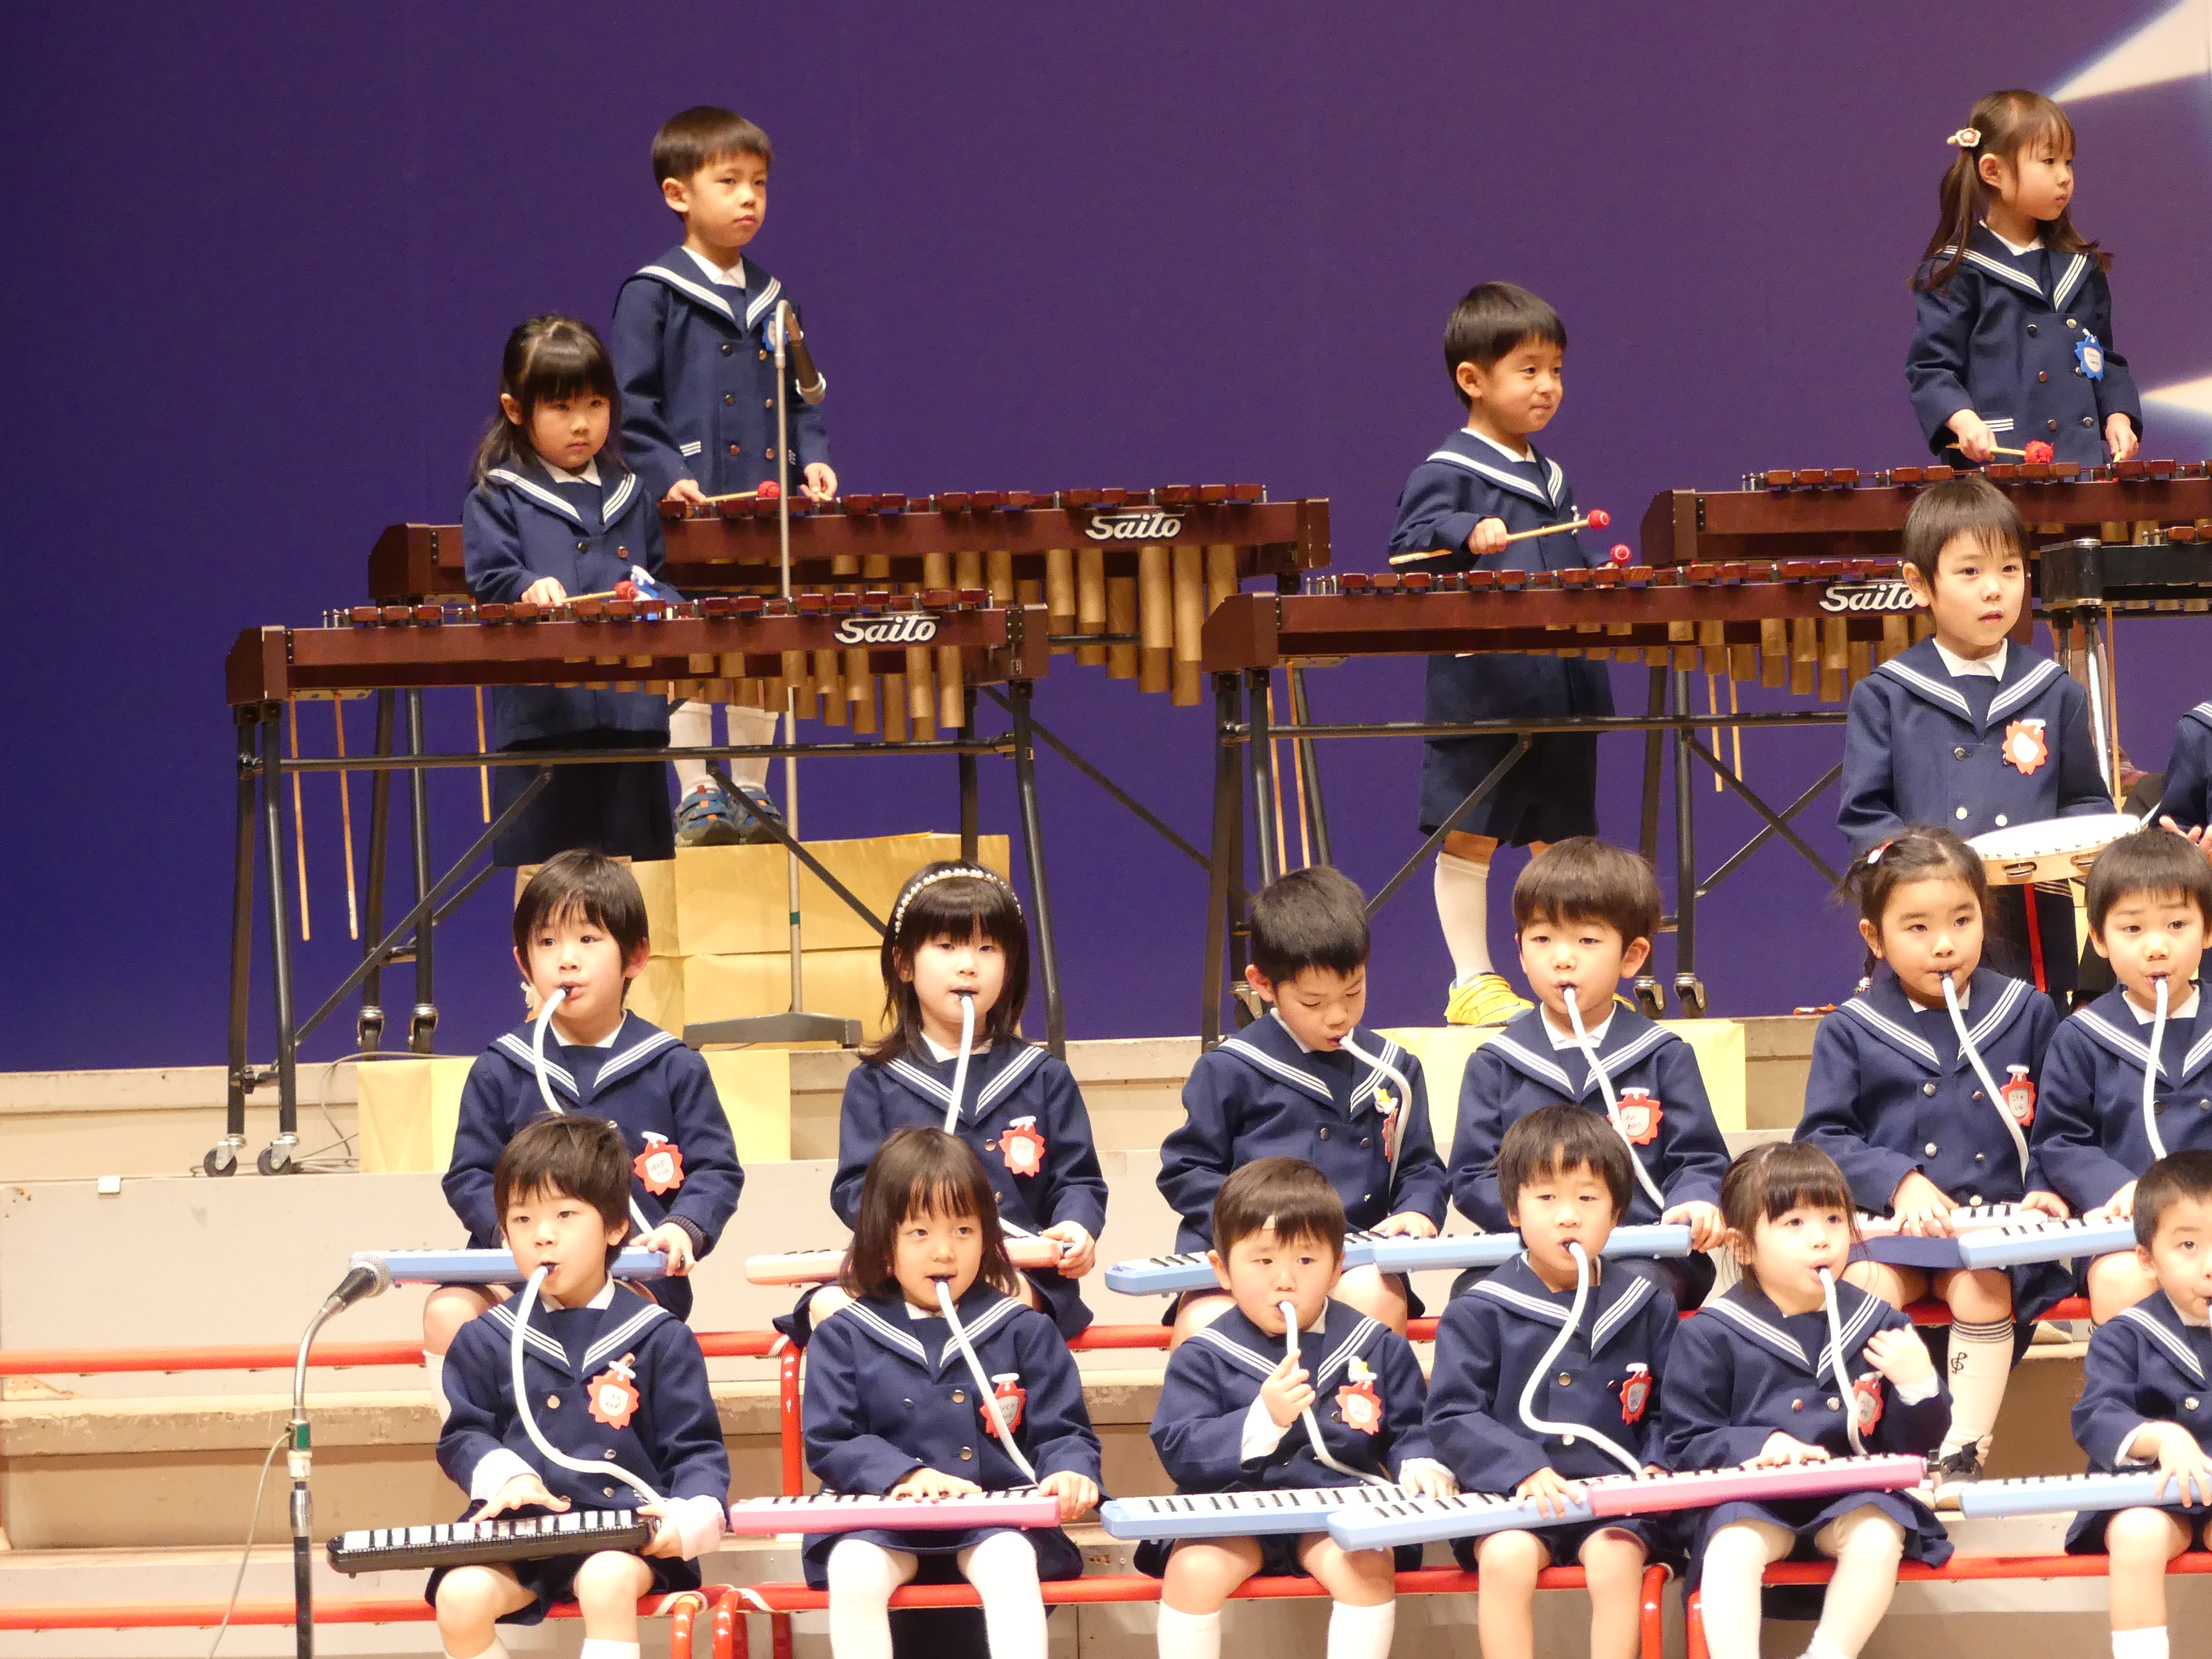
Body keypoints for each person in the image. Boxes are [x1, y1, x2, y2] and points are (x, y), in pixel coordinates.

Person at [1797, 826, 2067, 1490]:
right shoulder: (1850, 1028)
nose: (1943, 943)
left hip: (1990, 1237)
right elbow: (1822, 1137)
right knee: (1861, 1289)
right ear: (1874, 937)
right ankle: (1870, 1448)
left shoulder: (2027, 1011)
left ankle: (1962, 1450)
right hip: (1893, 1233)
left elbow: (2059, 1126)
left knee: (1983, 1287)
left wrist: (2044, 1188)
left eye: (1961, 920)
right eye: (1916, 927)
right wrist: (1898, 1181)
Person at [1388, 281, 1614, 1026]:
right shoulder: (1448, 470)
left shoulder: (1552, 476)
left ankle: (1573, 980)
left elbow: (1561, 558)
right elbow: (1407, 550)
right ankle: (1471, 980)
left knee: (1563, 841)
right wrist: (1463, 532)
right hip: (1486, 684)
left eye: (1556, 370)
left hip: (1561, 684)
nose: (1548, 386)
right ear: (1472, 379)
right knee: (1472, 832)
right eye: (1529, 370)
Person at [611, 106, 838, 848]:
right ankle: (696, 790)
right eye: (730, 182)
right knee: (687, 638)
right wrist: (667, 475)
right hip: (687, 502)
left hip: (764, 504)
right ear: (678, 195)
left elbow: (802, 399)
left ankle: (750, 785)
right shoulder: (652, 292)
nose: (750, 198)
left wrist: (814, 457)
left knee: (758, 638)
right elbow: (633, 405)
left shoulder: (777, 297)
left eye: (760, 184)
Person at [426, 852, 742, 1384]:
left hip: (628, 1273)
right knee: (447, 1312)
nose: (566, 960)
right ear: (524, 963)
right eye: (548, 942)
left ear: (635, 957)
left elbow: (716, 1170)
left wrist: (682, 1227)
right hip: (518, 1272)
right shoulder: (501, 1066)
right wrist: (505, 1231)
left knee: (623, 1319)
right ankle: (479, 1440)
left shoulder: (673, 1066)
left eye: (588, 939)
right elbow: (470, 1173)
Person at [431, 1116, 729, 1659]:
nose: (542, 1235)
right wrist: (507, 1474)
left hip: (627, 1536)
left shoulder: (659, 1336)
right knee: (459, 1597)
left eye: (565, 1215)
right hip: (520, 1535)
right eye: (522, 1219)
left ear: (615, 1227)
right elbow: (464, 1435)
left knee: (604, 1579)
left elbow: (696, 1451)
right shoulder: (486, 1337)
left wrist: (687, 1516)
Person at [801, 1128, 1100, 1659]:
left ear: (988, 1236)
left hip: (994, 1517)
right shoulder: (844, 1334)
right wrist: (905, 1476)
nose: (944, 1251)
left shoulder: (1024, 1328)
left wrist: (1069, 1470)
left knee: (1010, 1561)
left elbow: (1064, 1429)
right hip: (880, 1516)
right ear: (884, 1241)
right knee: (854, 1569)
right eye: (919, 1232)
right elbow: (831, 1440)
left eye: (964, 1230)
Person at [1142, 1157, 1454, 1659]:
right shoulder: (1204, 1353)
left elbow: (1409, 1428)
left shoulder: (1375, 1344)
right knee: (1193, 1571)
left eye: (1306, 1261)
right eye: (1262, 1261)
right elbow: (1180, 1448)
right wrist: (1261, 1420)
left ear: (1337, 1267)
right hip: (1233, 1506)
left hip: (1339, 1500)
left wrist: (1419, 1460)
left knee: (1366, 1566)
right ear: (1222, 1270)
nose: (1284, 1280)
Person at [1661, 1143, 1950, 1659]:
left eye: (1834, 1219)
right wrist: (1762, 1445)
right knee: (1733, 1545)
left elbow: (1913, 1447)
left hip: (1851, 1496)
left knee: (1878, 1535)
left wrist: (1918, 1384)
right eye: (1793, 1223)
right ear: (1742, 1247)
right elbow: (1686, 1442)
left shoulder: (1880, 1321)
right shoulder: (1710, 1333)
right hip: (1749, 1500)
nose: (1821, 1238)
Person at [1837, 473, 2108, 995]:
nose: (1994, 588)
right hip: (1931, 927)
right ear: (1919, 583)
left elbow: (2085, 802)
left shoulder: (2054, 691)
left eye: (2010, 568)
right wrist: (1925, 870)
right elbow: (1866, 817)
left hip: (2033, 925)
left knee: (2033, 1036)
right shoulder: (1887, 695)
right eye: (1970, 571)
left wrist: (2074, 850)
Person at [811, 862, 1104, 1339]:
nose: (968, 964)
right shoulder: (877, 1082)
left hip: (1013, 1269)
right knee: (827, 1306)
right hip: (902, 1273)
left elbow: (1078, 1179)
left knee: (1002, 1303)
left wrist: (1076, 1226)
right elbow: (854, 1190)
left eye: (988, 948)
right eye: (947, 946)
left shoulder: (1043, 1076)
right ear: (904, 964)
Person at [1427, 1107, 1676, 1659]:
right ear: (1514, 1211)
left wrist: (1657, 1465)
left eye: (1587, 1198)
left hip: (1616, 1501)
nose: (1567, 1216)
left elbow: (1669, 1409)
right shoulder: (1479, 1310)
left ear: (1616, 1211)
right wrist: (1523, 1468)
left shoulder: (1648, 1305)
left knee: (1617, 1558)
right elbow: (1451, 1414)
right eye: (1546, 1198)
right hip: (1512, 1497)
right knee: (1505, 1559)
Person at [1159, 867, 1446, 1342]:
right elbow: (1186, 1170)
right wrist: (1257, 1226)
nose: (1338, 1016)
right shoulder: (1230, 1068)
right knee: (1202, 1324)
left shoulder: (1396, 1070)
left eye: (1354, 991)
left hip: (1350, 1262)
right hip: (1247, 1260)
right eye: (1313, 1002)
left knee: (1375, 1298)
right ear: (1263, 984)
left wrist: (1418, 1211)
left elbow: (1419, 1167)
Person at [1447, 839, 1729, 1308]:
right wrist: (1543, 1226)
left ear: (1632, 956)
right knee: (1475, 1299)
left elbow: (1698, 1159)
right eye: (1542, 940)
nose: (1562, 958)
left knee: (1635, 1291)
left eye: (1587, 941)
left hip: (1642, 1252)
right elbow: (1473, 1175)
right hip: (1527, 1252)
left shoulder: (1663, 1055)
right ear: (1520, 952)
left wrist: (1696, 1200)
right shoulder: (1495, 1062)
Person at [463, 316, 676, 868]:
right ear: (516, 410)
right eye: (561, 407)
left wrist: (664, 605)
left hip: (631, 717)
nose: (582, 424)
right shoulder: (498, 496)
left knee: (633, 877)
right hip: (546, 721)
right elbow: (490, 577)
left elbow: (653, 576)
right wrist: (525, 587)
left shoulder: (632, 494)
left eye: (596, 404)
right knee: (548, 880)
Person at [2032, 828, 2212, 1321]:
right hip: (2128, 1229)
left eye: (2177, 924)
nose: (2156, 947)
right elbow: (2061, 1142)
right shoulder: (2082, 1037)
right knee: (2119, 1279)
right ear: (2099, 939)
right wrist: (2126, 1190)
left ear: (2208, 930)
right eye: (2132, 929)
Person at [1907, 89, 2141, 470]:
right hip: (2001, 465)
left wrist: (2119, 415)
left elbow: (2104, 359)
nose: (2065, 177)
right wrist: (1963, 420)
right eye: (2049, 161)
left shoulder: (2081, 268)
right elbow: (1932, 368)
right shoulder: (1959, 272)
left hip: (2082, 463)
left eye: (2068, 161)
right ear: (1993, 171)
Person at [2065, 1150, 2212, 1659]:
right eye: (2189, 1245)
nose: (2210, 1267)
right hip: (2150, 1492)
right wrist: (2162, 1437)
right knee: (2136, 1534)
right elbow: (2096, 1415)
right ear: (2147, 1259)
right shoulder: (2126, 1334)